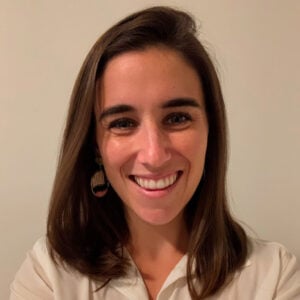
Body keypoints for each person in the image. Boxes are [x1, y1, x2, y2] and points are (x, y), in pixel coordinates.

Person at [10, 6, 300, 300]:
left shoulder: (273, 276)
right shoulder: (48, 274)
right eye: (123, 123)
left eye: (177, 118)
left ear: (210, 130)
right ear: (94, 145)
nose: (154, 155)